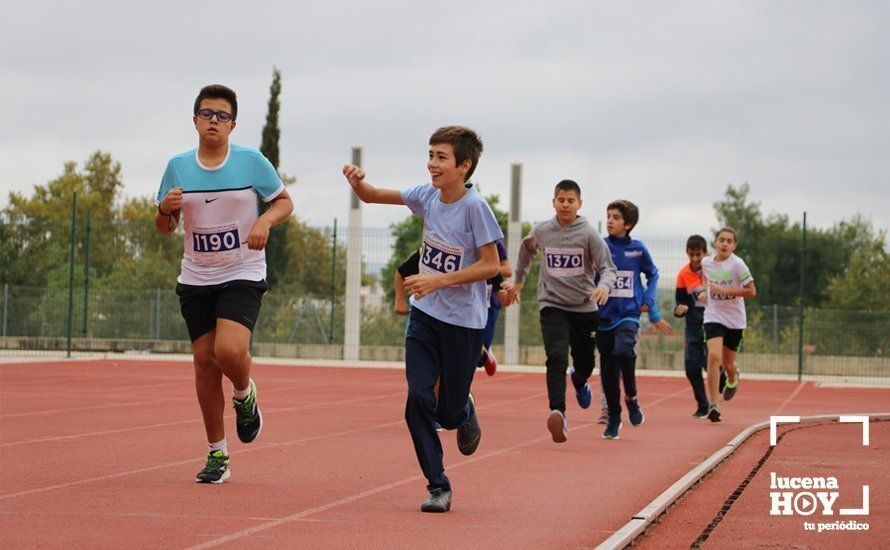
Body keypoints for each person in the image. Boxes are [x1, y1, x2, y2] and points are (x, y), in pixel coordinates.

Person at [343, 126, 503, 513]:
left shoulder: (475, 208)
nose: (431, 163)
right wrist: (358, 183)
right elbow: (373, 196)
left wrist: (439, 280)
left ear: (463, 166)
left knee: (447, 414)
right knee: (416, 399)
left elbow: (491, 264)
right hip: (425, 317)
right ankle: (438, 486)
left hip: (463, 324)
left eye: (441, 157)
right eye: (430, 154)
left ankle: (463, 408)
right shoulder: (427, 196)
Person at [155, 84, 294, 483]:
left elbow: (284, 201)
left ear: (233, 124)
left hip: (242, 272)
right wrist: (165, 209)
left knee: (229, 350)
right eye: (206, 113)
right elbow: (165, 227)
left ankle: (244, 393)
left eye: (222, 115)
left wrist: (264, 221)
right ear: (195, 119)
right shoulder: (178, 167)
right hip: (197, 275)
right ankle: (218, 454)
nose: (213, 121)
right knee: (204, 363)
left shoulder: (251, 162)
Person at [502, 180, 617, 444]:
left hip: (584, 307)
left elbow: (608, 268)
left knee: (585, 363)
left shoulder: (589, 234)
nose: (565, 205)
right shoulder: (542, 230)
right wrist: (519, 280)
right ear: (553, 202)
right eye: (561, 200)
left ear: (579, 204)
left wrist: (603, 287)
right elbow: (525, 251)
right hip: (552, 304)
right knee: (555, 356)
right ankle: (558, 413)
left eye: (570, 201)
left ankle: (580, 379)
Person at [596, 200, 671, 440]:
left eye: (616, 217)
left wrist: (650, 301)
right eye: (608, 216)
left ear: (628, 224)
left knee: (624, 351)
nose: (609, 220)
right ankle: (615, 417)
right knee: (607, 370)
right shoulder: (600, 247)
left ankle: (632, 397)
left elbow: (653, 273)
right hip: (603, 316)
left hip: (628, 313)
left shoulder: (638, 250)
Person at [395, 238, 511, 376]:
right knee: (428, 366)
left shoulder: (489, 263)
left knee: (459, 368)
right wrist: (399, 301)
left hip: (467, 320)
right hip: (428, 315)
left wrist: (510, 293)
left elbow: (504, 297)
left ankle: (480, 361)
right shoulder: (437, 253)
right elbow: (402, 272)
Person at [699, 227, 756, 422]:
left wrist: (725, 289)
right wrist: (704, 291)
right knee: (714, 357)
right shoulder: (706, 263)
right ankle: (713, 405)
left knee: (727, 363)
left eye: (729, 241)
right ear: (714, 243)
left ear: (734, 246)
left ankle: (732, 377)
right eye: (721, 240)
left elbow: (751, 291)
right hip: (714, 315)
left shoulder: (738, 265)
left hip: (734, 318)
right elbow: (704, 280)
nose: (724, 244)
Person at [674, 235, 725, 418]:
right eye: (692, 255)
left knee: (710, 360)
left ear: (706, 254)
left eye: (699, 255)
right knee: (691, 366)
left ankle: (721, 377)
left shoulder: (712, 271)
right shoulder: (683, 274)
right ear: (687, 253)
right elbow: (680, 302)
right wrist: (681, 309)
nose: (695, 259)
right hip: (693, 325)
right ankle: (703, 405)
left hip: (713, 322)